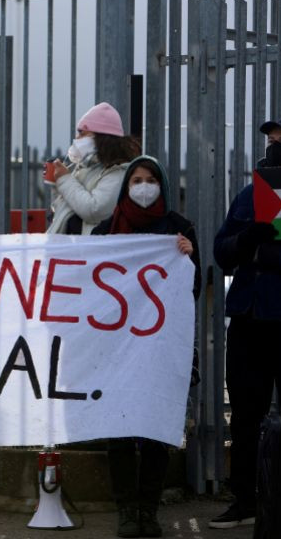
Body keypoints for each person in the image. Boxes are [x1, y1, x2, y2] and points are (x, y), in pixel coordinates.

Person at [209, 118, 281, 530]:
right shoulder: (248, 196)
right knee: (245, 415)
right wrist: (247, 240)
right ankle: (244, 500)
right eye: (271, 140)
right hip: (248, 317)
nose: (276, 145)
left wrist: (259, 254)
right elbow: (222, 251)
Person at [92, 155, 201, 538]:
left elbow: (193, 289)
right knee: (119, 430)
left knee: (156, 429)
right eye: (135, 179)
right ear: (126, 186)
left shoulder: (179, 229)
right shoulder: (105, 232)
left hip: (160, 348)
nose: (143, 186)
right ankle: (126, 508)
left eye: (150, 179)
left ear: (162, 185)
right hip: (117, 349)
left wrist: (188, 257)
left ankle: (148, 509)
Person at [47, 102, 140, 235]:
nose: (77, 138)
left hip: (92, 246)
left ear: (101, 138)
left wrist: (64, 180)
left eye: (82, 133)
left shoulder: (117, 171)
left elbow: (95, 210)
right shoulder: (85, 167)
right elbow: (67, 208)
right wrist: (57, 185)